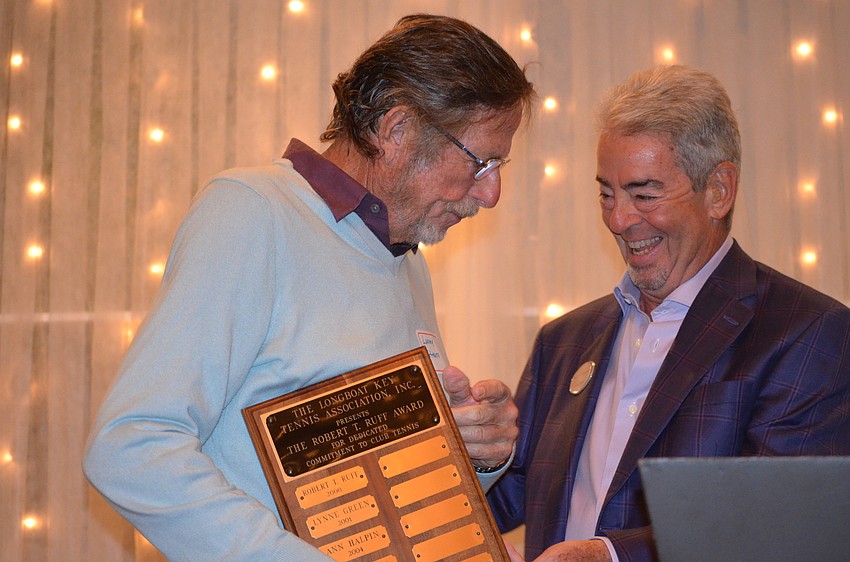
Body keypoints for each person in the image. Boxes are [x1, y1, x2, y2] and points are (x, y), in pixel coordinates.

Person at [83, 14, 535, 562]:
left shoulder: (406, 261)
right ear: (397, 131)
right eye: (480, 162)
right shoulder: (252, 212)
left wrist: (472, 452)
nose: (491, 194)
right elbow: (131, 446)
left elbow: (387, 498)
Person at [489, 64, 850, 562]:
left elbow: (779, 528)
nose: (619, 219)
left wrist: (609, 556)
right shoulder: (564, 339)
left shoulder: (806, 332)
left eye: (644, 194)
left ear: (719, 190)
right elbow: (513, 492)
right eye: (607, 194)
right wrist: (468, 442)